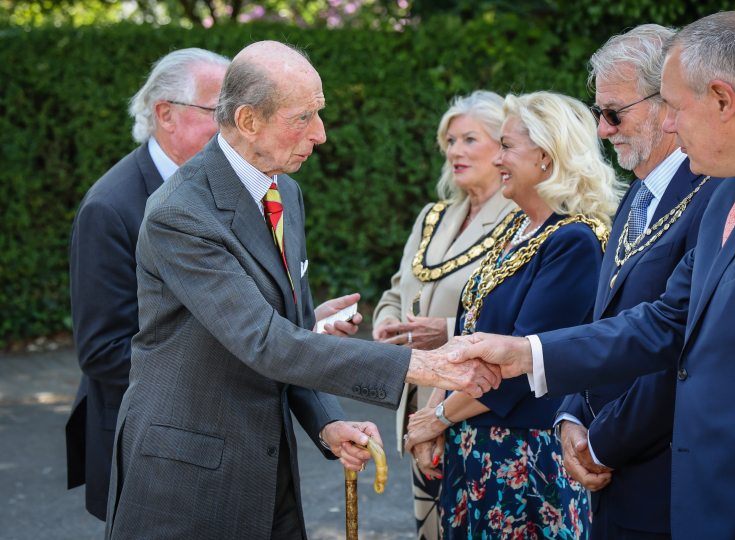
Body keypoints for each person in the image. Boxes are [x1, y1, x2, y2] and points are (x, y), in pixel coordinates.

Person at [452, 12, 735, 540]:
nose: (669, 125)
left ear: (723, 99)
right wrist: (529, 355)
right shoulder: (730, 182)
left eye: (674, 108)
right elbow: (666, 320)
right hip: (699, 499)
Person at [105, 41, 501, 540]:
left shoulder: (283, 189)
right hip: (189, 478)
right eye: (303, 117)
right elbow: (266, 342)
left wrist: (326, 421)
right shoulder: (181, 213)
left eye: (320, 113)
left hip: (268, 466)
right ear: (248, 121)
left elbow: (289, 331)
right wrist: (421, 364)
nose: (321, 134)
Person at [405, 91, 624, 539]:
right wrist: (432, 418)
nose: (497, 158)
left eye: (506, 146)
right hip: (474, 444)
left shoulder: (574, 242)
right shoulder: (515, 227)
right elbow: (469, 333)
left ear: (545, 156)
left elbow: (524, 364)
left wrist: (439, 418)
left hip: (524, 456)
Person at [554, 24, 731, 540]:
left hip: (666, 481)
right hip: (612, 475)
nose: (603, 130)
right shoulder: (640, 189)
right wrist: (570, 415)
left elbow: (682, 351)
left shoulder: (714, 193)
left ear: (667, 105)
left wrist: (602, 442)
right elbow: (601, 316)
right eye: (597, 114)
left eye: (614, 112)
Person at [64, 48, 230, 521]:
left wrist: (292, 326)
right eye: (219, 112)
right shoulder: (110, 208)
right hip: (149, 451)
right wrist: (237, 359)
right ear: (166, 114)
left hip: (222, 444)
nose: (237, 126)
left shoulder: (223, 185)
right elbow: (102, 351)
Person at [372, 90, 516, 540]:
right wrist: (385, 321)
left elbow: (519, 321)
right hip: (418, 404)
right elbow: (398, 289)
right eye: (450, 141)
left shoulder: (522, 219)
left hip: (475, 407)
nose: (455, 151)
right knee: (428, 529)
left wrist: (447, 331)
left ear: (503, 146)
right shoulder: (432, 217)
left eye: (470, 139)